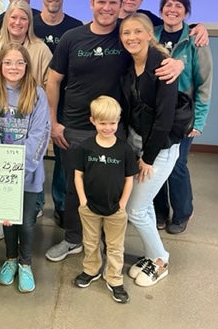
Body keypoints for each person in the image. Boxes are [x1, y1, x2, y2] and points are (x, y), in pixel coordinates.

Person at [44, 0, 183, 263]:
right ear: (91, 3)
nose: (106, 8)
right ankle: (73, 239)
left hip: (115, 130)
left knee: (110, 190)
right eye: (101, 2)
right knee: (74, 188)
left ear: (122, 6)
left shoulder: (126, 38)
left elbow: (162, 41)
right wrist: (53, 123)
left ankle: (108, 244)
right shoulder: (72, 38)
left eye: (112, 3)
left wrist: (178, 61)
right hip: (74, 128)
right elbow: (53, 80)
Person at [0, 43, 50, 293]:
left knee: (27, 223)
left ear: (27, 66)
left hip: (30, 173)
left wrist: (23, 167)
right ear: (0, 65)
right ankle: (10, 259)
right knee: (8, 221)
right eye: (8, 62)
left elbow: (41, 134)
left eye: (19, 63)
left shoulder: (38, 94)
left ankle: (25, 263)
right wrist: (3, 167)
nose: (14, 67)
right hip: (1, 173)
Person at [119, 13, 180, 287]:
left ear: (148, 34)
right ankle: (150, 254)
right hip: (136, 143)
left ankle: (160, 260)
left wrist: (147, 158)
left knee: (136, 209)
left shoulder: (163, 66)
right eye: (126, 33)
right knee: (143, 205)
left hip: (158, 150)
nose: (131, 37)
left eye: (137, 32)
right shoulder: (131, 65)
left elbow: (164, 119)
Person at [153, 0, 213, 234]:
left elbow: (204, 84)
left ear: (186, 12)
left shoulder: (195, 40)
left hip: (182, 117)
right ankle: (159, 211)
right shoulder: (152, 36)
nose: (172, 9)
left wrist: (198, 121)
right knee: (154, 166)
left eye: (178, 6)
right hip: (155, 114)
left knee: (177, 166)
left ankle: (182, 212)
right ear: (161, 10)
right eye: (168, 5)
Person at [73, 96, 137, 304]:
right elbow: (78, 175)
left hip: (115, 209)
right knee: (90, 242)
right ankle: (91, 270)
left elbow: (129, 178)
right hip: (89, 207)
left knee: (115, 246)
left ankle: (114, 278)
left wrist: (122, 204)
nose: (108, 127)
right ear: (93, 121)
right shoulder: (85, 147)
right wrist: (83, 201)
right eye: (102, 123)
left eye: (112, 123)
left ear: (118, 121)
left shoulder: (125, 150)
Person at [32, 0, 83, 227]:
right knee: (33, 152)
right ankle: (36, 202)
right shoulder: (29, 24)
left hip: (66, 100)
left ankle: (61, 204)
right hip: (31, 100)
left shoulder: (76, 28)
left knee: (63, 153)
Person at [120, 0, 209, 46]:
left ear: (141, 0)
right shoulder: (109, 18)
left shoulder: (146, 17)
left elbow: (171, 24)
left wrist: (198, 26)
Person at [0, 0, 52, 87]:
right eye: (13, 17)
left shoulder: (42, 50)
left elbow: (51, 85)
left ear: (29, 22)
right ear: (6, 20)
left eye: (23, 19)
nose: (17, 22)